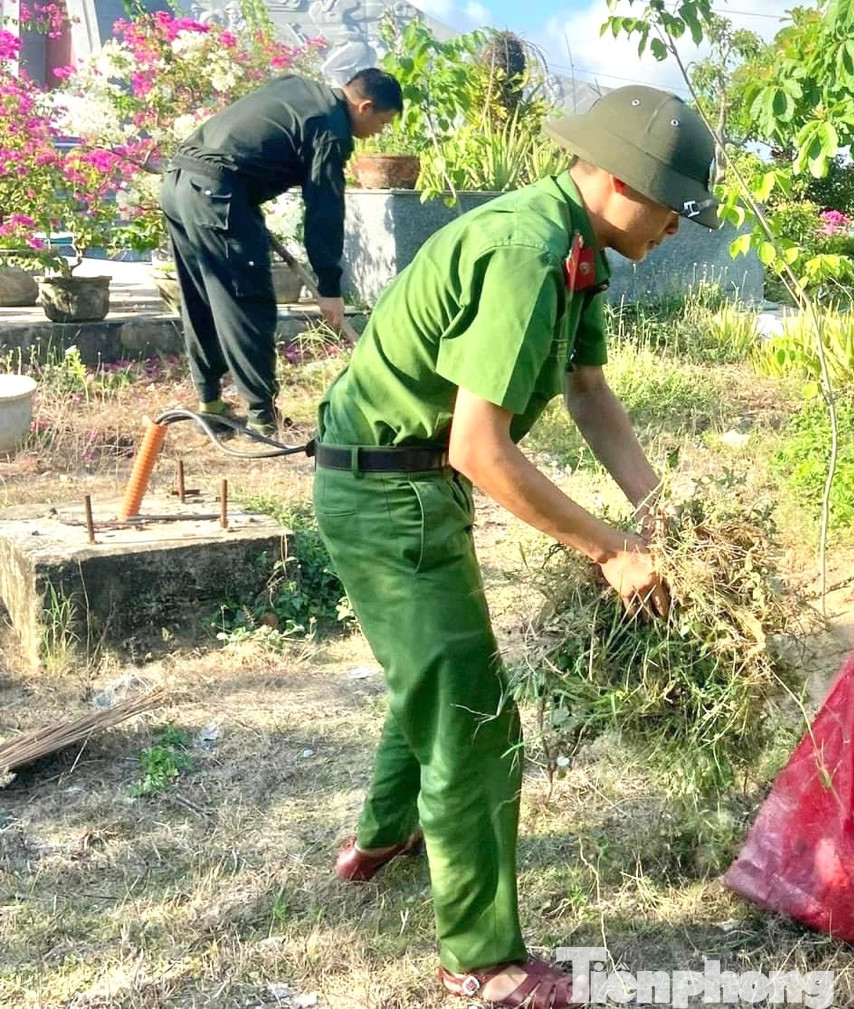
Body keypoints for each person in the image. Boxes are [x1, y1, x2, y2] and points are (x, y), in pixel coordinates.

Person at [312, 85, 718, 1006]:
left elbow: (590, 396)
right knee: (473, 716)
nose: (677, 229)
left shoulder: (578, 248)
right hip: (390, 485)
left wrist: (661, 514)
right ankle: (481, 956)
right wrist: (610, 549)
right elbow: (479, 446)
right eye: (672, 207)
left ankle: (383, 833)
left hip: (410, 479)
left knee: (440, 665)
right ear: (618, 181)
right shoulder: (527, 250)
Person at [159, 69, 402, 437]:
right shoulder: (330, 128)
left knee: (202, 298)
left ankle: (211, 404)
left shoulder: (297, 87)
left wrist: (243, 197)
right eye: (382, 122)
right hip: (217, 194)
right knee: (247, 301)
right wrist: (330, 286)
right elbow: (324, 209)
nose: (379, 132)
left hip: (179, 183)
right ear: (364, 106)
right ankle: (262, 417)